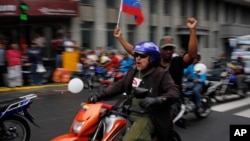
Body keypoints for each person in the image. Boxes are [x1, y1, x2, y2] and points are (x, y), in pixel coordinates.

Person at [89, 41, 180, 141]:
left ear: (152, 58)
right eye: (136, 55)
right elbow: (118, 86)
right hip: (129, 113)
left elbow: (174, 92)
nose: (138, 58)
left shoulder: (161, 74)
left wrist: (158, 100)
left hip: (148, 116)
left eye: (142, 56)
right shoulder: (134, 71)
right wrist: (99, 96)